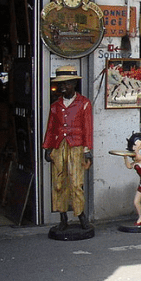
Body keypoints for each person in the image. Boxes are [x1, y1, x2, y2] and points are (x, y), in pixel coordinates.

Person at [42, 65, 93, 231]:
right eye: (60, 84)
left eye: (66, 83)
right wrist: (47, 147)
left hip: (76, 147)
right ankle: (62, 217)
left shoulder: (84, 103)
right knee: (58, 182)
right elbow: (51, 127)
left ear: (73, 84)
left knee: (76, 182)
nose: (63, 87)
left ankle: (80, 215)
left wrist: (87, 150)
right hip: (59, 146)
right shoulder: (55, 105)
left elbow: (87, 128)